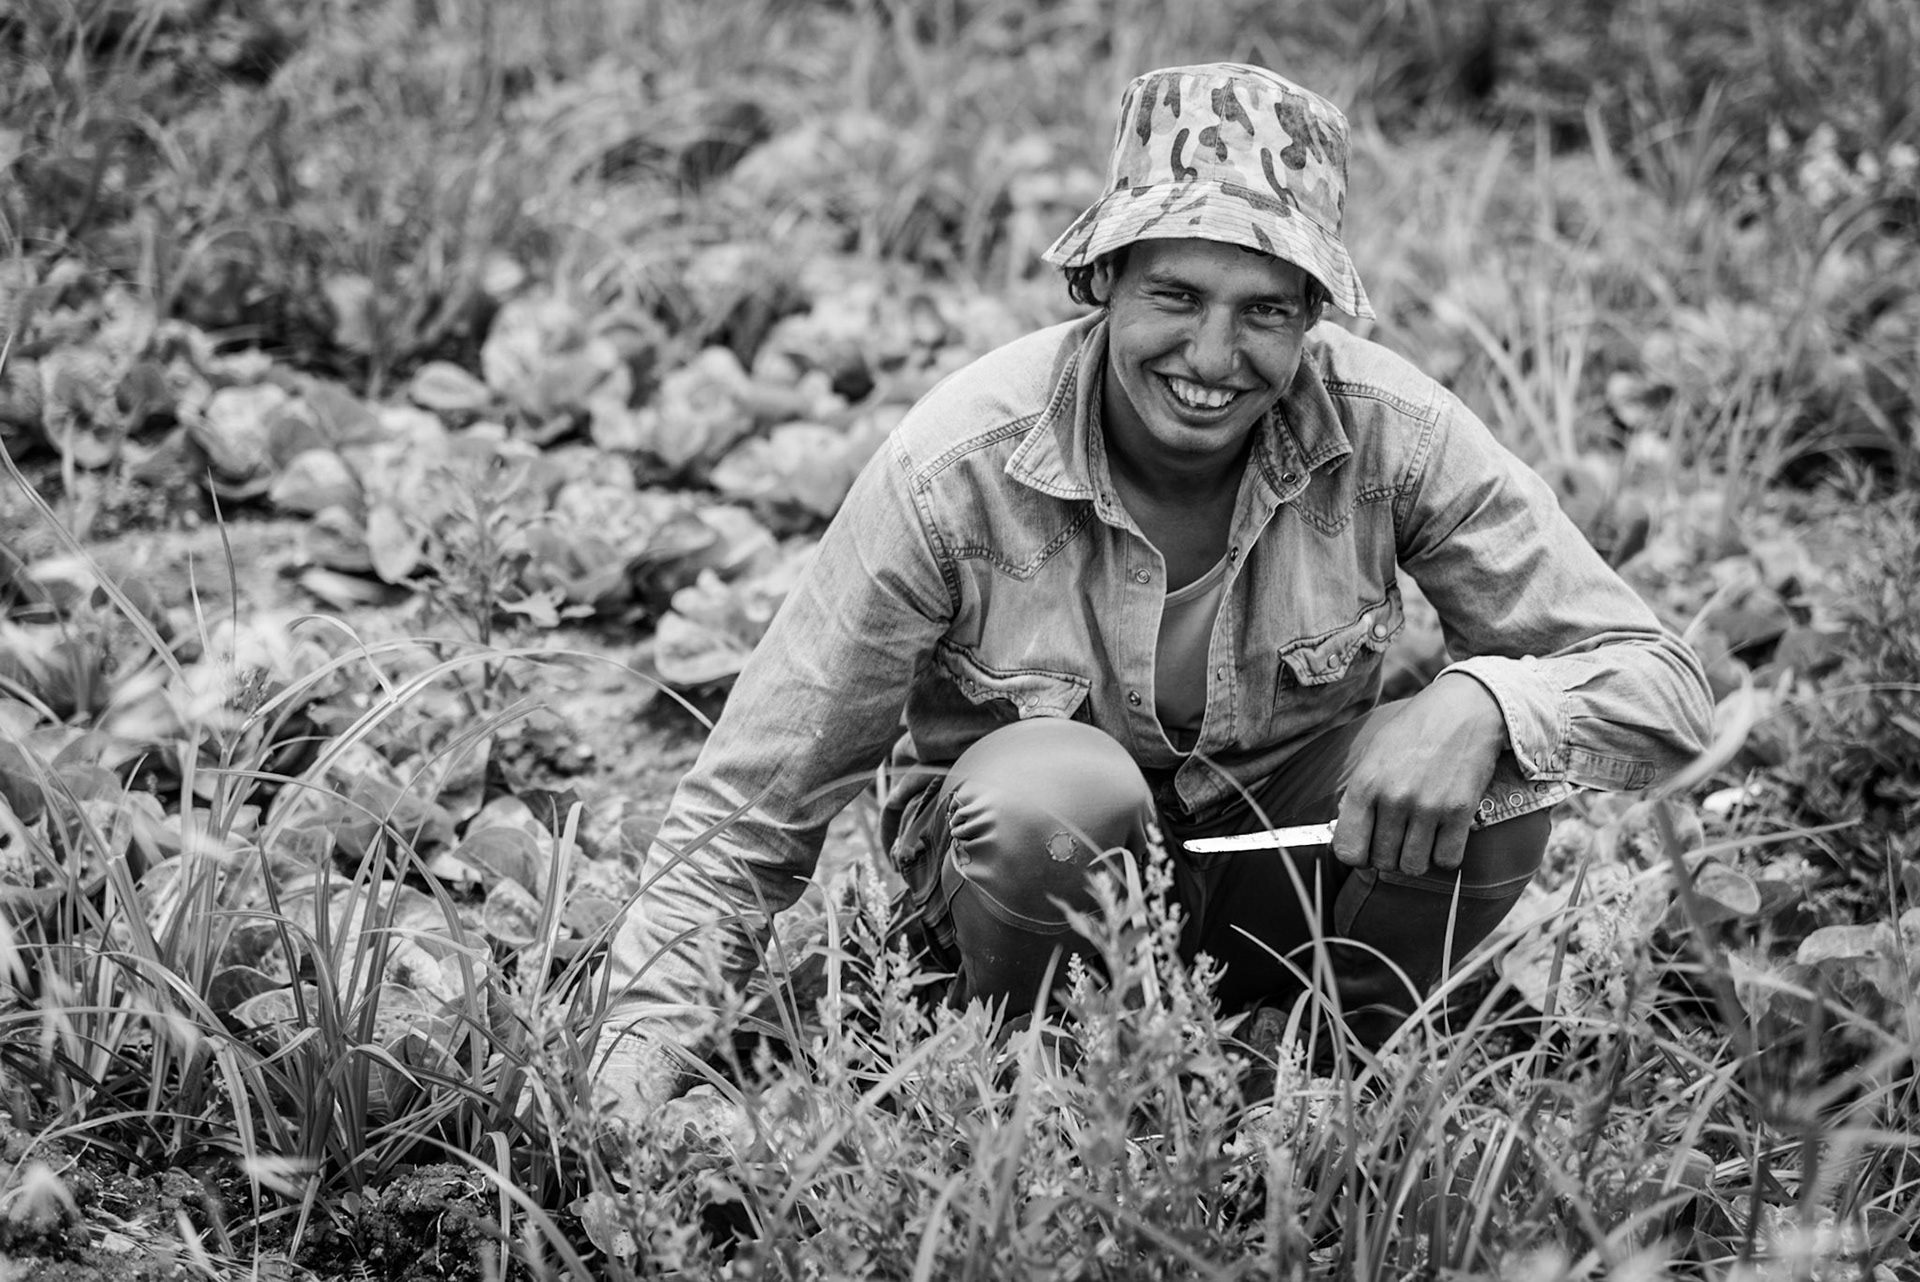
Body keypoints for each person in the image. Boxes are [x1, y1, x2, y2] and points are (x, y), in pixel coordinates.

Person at [594, 62, 1712, 1114]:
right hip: (1026, 892)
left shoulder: (1395, 435)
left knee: (1502, 769)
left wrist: (1482, 704)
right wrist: (626, 1085)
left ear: (1312, 317)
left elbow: (1664, 688)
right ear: (1104, 283)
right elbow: (747, 814)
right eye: (1176, 294)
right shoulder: (957, 465)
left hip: (1277, 868)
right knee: (1058, 796)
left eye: (1265, 309)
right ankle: (1029, 1079)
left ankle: (1329, 1088)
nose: (1214, 354)